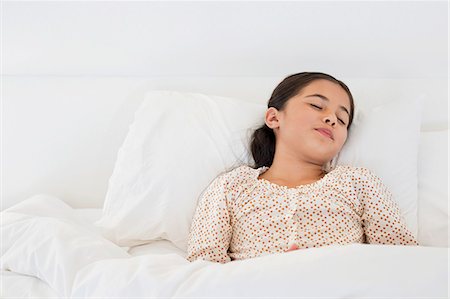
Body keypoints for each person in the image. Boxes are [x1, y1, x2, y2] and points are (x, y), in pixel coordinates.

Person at [186, 72, 418, 264]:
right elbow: (205, 265)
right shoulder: (232, 186)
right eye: (317, 106)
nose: (332, 119)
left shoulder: (357, 182)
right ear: (274, 118)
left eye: (342, 119)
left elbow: (399, 258)